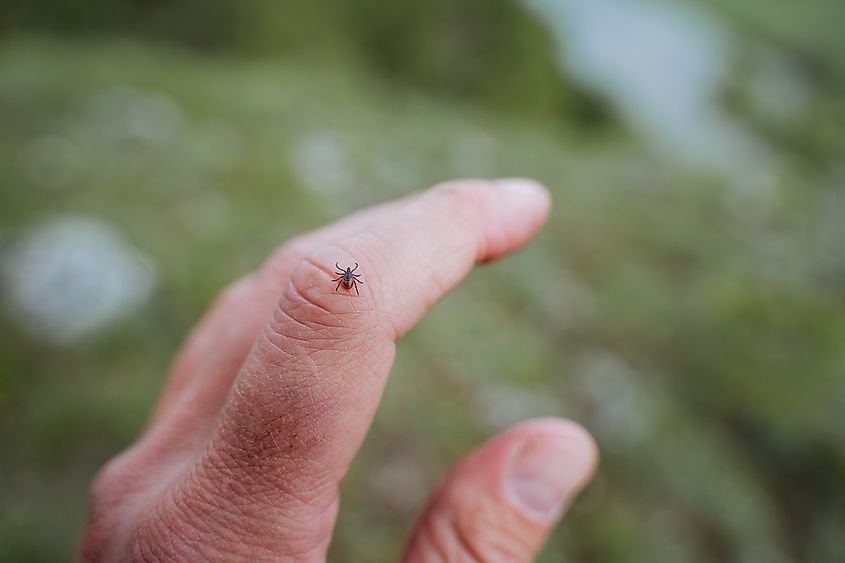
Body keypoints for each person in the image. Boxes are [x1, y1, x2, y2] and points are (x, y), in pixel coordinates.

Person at [78, 179, 598, 562]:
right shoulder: (346, 280)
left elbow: (347, 283)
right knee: (339, 290)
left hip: (348, 284)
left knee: (338, 289)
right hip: (348, 286)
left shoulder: (346, 279)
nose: (347, 279)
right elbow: (346, 283)